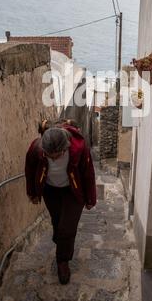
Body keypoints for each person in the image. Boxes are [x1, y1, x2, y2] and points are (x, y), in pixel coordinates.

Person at [25, 120, 96, 284]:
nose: (54, 160)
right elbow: (29, 170)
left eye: (56, 156)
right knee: (57, 222)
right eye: (50, 156)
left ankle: (62, 261)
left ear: (66, 148)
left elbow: (88, 173)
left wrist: (91, 198)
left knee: (67, 227)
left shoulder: (79, 148)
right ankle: (63, 242)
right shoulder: (37, 149)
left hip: (73, 191)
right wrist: (33, 193)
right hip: (50, 191)